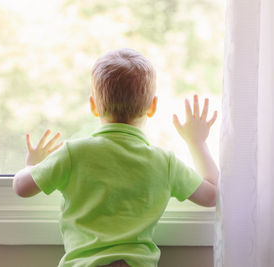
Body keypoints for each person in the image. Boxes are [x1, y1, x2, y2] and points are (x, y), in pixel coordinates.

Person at [13, 48, 219, 267]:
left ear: (93, 105)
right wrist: (196, 143)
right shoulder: (165, 162)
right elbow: (212, 195)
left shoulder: (73, 153)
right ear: (152, 107)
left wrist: (33, 165)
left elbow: (21, 187)